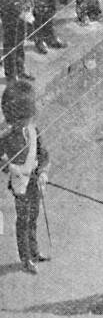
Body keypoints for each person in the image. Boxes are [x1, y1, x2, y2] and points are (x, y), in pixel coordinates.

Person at [0, 79, 49, 273]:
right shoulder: (5, 139)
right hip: (19, 185)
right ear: (14, 117)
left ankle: (35, 251)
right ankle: (26, 258)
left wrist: (43, 171)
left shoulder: (34, 131)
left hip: (34, 182)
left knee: (34, 216)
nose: (26, 121)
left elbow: (43, 155)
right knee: (24, 220)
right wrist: (11, 168)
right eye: (22, 118)